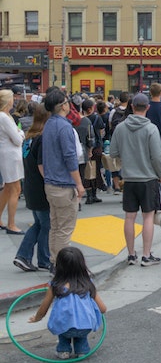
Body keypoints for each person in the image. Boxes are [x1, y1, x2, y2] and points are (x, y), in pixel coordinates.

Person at [110, 93, 161, 267]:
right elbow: (157, 156)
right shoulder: (151, 129)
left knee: (129, 217)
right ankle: (146, 254)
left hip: (129, 178)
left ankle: (131, 254)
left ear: (132, 107)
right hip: (148, 177)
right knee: (148, 217)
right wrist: (160, 173)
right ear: (147, 107)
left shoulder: (120, 128)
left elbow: (113, 153)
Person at [28, 247, 107, 360]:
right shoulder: (88, 284)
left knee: (64, 323)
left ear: (59, 266)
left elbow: (44, 308)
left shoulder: (55, 286)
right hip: (85, 327)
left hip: (64, 328)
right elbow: (103, 309)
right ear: (82, 265)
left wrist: (37, 318)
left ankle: (63, 350)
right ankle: (82, 351)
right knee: (80, 330)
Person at [42, 89, 85, 267]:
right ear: (63, 106)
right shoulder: (64, 126)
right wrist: (79, 184)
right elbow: (70, 158)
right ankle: (60, 266)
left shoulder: (49, 124)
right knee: (65, 229)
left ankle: (54, 261)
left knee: (56, 226)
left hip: (51, 183)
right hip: (63, 184)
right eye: (67, 102)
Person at [13, 105, 51, 272]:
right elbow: (42, 164)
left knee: (40, 223)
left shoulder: (29, 137)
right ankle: (32, 256)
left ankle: (29, 257)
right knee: (45, 224)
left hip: (30, 185)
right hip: (40, 187)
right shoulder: (42, 138)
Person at [0, 89, 25, 234]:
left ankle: (4, 220)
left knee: (8, 188)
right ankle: (11, 224)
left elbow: (17, 134)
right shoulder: (4, 117)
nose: (14, 100)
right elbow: (17, 139)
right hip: (11, 155)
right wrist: (20, 135)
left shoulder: (5, 115)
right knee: (15, 189)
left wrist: (18, 134)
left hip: (7, 155)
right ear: (8, 101)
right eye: (12, 98)